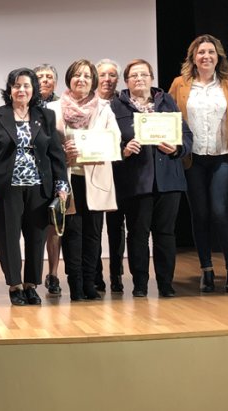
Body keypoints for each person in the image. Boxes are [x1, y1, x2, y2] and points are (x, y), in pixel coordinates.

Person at [0, 68, 69, 306]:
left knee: (36, 238)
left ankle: (31, 285)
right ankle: (15, 285)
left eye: (27, 86)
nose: (21, 90)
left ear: (33, 90)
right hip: (6, 187)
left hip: (39, 187)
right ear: (9, 90)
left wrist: (62, 184)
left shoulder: (45, 116)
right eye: (17, 85)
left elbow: (55, 153)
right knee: (8, 237)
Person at [168, 35, 228, 293]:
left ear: (218, 56)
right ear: (193, 57)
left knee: (220, 212)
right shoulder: (180, 84)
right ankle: (206, 269)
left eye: (211, 52)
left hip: (222, 157)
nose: (206, 56)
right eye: (201, 52)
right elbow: (170, 119)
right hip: (192, 159)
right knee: (200, 214)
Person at [111, 59, 192, 298]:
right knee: (138, 234)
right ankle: (140, 284)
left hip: (168, 179)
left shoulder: (167, 101)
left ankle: (166, 284)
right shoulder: (116, 107)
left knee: (165, 234)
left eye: (144, 74)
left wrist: (177, 148)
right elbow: (109, 140)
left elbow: (186, 136)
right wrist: (123, 148)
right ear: (126, 81)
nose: (139, 79)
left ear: (151, 78)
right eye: (134, 75)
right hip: (136, 180)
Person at [52, 59, 119, 301]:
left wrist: (96, 149)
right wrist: (63, 152)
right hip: (67, 181)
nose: (82, 79)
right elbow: (47, 147)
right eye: (77, 75)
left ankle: (91, 283)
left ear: (93, 82)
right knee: (72, 234)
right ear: (69, 78)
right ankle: (76, 286)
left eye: (87, 76)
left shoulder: (104, 108)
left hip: (95, 178)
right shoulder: (54, 108)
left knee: (93, 234)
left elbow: (114, 141)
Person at [94, 58, 125, 293]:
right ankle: (94, 274)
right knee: (93, 227)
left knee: (116, 226)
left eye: (112, 74)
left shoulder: (124, 103)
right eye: (103, 74)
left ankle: (116, 274)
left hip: (121, 171)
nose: (107, 79)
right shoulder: (86, 103)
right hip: (94, 171)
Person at [34, 63, 64, 296]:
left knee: (55, 225)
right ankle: (30, 274)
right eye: (40, 77)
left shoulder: (62, 106)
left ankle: (53, 274)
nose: (45, 80)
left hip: (55, 170)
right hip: (29, 174)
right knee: (33, 227)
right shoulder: (22, 104)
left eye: (49, 77)